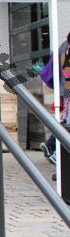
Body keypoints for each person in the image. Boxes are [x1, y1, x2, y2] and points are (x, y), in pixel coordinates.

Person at [40, 32, 70, 165]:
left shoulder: (64, 46)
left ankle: (52, 147)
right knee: (67, 124)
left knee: (67, 122)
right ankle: (53, 148)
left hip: (66, 91)